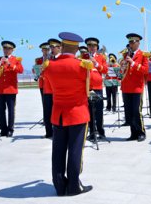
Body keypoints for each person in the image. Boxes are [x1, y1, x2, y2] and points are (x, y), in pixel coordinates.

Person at [43, 32, 92, 196]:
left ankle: (59, 185)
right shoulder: (82, 65)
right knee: (75, 150)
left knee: (58, 151)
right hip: (77, 114)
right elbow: (95, 84)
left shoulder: (49, 66)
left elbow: (48, 90)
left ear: (62, 47)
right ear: (77, 49)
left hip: (58, 114)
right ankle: (73, 186)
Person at [0, 40, 24, 137]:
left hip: (11, 89)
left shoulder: (16, 59)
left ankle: (10, 129)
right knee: (1, 110)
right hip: (0, 89)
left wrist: (9, 64)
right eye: (4, 48)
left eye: (8, 49)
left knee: (11, 110)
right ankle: (3, 130)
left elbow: (21, 70)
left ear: (12, 50)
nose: (6, 50)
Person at [121, 33, 149, 142]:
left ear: (138, 42)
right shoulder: (125, 55)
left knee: (136, 111)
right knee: (129, 112)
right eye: (130, 42)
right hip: (126, 86)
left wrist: (133, 63)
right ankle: (133, 133)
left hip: (137, 87)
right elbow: (122, 71)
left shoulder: (143, 55)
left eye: (133, 42)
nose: (131, 44)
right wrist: (123, 65)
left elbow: (146, 70)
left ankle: (141, 132)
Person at [84, 37, 108, 140]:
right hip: (87, 88)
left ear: (96, 47)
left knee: (99, 112)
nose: (92, 47)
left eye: (94, 46)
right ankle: (92, 132)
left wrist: (96, 63)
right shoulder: (82, 56)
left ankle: (101, 132)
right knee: (89, 111)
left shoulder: (101, 57)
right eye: (89, 46)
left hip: (98, 88)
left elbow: (105, 70)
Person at [34, 42, 52, 138]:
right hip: (42, 84)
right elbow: (34, 70)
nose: (46, 51)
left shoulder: (52, 58)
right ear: (42, 50)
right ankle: (47, 126)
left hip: (51, 84)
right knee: (45, 105)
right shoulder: (38, 60)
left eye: (47, 49)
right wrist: (37, 70)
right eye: (44, 49)